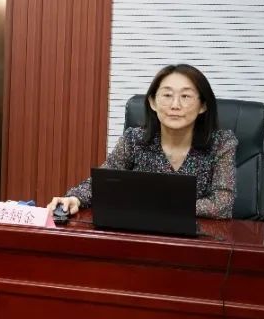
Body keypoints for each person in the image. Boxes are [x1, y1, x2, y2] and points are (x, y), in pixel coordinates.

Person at [48, 64, 237, 219]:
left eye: (185, 96)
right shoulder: (134, 140)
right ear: (153, 102)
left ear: (203, 105)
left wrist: (152, 206)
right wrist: (75, 198)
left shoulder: (221, 143)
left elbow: (222, 204)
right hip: (143, 235)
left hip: (200, 239)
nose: (175, 105)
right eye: (167, 95)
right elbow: (103, 182)